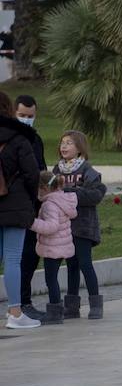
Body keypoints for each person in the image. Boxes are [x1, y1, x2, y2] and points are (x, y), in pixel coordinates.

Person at [50, 131, 107, 320]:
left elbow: (96, 195)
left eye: (69, 143)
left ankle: (96, 304)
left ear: (80, 148)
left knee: (84, 263)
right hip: (62, 228)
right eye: (62, 143)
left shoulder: (87, 170)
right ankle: (72, 307)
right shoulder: (56, 171)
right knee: (71, 265)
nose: (64, 146)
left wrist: (69, 193)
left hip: (83, 227)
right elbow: (48, 192)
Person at [0, 91, 42, 330]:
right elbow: (31, 173)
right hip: (15, 205)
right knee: (13, 258)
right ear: (9, 110)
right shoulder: (20, 137)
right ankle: (15, 312)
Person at [32, 175, 77, 325]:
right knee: (52, 279)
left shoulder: (49, 204)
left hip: (53, 247)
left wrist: (32, 223)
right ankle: (56, 311)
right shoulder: (63, 200)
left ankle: (55, 313)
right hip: (63, 245)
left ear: (44, 188)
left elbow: (51, 227)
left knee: (51, 280)